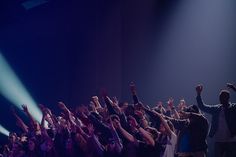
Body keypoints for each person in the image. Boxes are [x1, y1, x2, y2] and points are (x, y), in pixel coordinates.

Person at [196, 84, 236, 157]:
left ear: (228, 98)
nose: (220, 99)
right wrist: (198, 94)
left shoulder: (233, 108)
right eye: (220, 97)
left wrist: (234, 88)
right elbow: (202, 107)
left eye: (222, 97)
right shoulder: (216, 109)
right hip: (218, 140)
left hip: (231, 140)